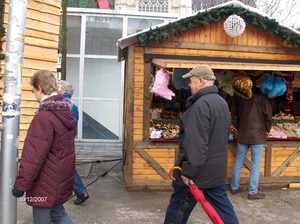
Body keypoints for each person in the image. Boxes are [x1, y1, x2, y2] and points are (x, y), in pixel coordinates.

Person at [164, 65, 239, 224]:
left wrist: (188, 172)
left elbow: (196, 143)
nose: (189, 85)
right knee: (224, 210)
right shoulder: (222, 103)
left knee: (178, 209)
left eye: (191, 81)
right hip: (215, 171)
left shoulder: (200, 106)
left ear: (200, 81)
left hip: (197, 174)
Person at [12, 70, 76, 223]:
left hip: (45, 181)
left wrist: (20, 185)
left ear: (39, 88)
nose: (34, 96)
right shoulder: (66, 111)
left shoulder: (43, 117)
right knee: (58, 215)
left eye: (34, 91)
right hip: (60, 177)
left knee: (44, 218)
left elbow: (33, 157)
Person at [230, 83, 272, 200]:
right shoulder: (262, 97)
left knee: (238, 161)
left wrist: (240, 127)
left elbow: (234, 116)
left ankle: (234, 187)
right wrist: (267, 129)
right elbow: (267, 116)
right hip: (258, 135)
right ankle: (253, 192)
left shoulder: (238, 97)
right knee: (255, 164)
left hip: (243, 134)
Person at [57, 80, 89, 205]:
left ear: (64, 90)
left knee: (64, 166)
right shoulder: (73, 105)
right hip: (68, 139)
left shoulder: (60, 103)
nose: (56, 87)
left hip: (60, 140)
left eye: (58, 86)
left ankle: (80, 191)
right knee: (65, 165)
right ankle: (80, 191)